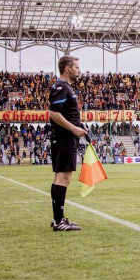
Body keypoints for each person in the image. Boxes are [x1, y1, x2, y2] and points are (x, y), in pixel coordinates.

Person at [48, 55, 87, 231]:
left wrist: (80, 126)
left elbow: (63, 113)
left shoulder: (64, 87)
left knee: (59, 177)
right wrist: (73, 128)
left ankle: (58, 219)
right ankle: (59, 221)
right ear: (67, 68)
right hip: (65, 138)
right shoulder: (62, 87)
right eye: (77, 67)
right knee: (64, 177)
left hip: (63, 137)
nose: (79, 70)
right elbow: (53, 114)